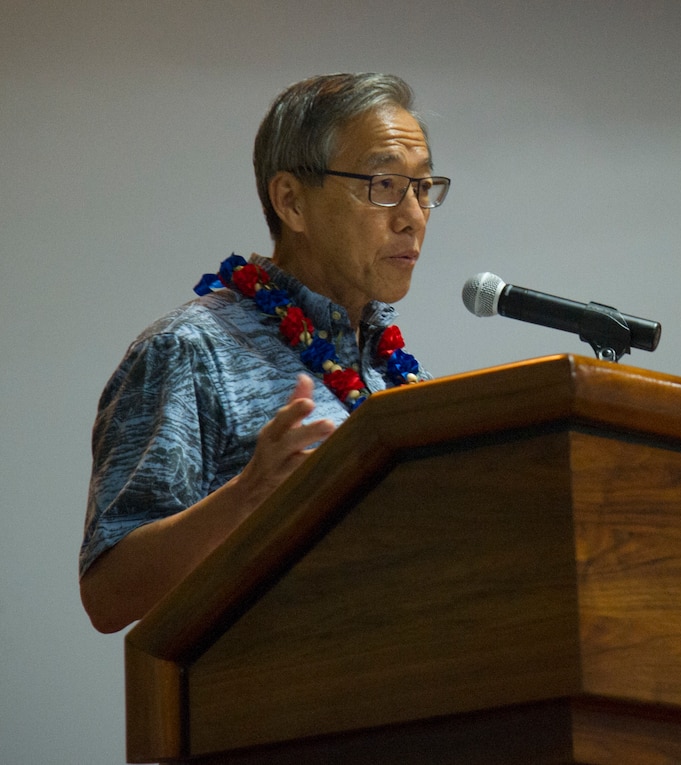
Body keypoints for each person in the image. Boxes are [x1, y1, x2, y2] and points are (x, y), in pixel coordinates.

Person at [79, 73, 450, 633]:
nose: (412, 215)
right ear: (291, 202)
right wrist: (249, 497)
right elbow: (108, 595)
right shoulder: (190, 350)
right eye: (383, 184)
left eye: (422, 188)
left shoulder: (393, 371)